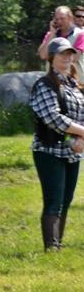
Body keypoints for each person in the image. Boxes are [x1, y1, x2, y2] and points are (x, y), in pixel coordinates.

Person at [27, 36, 84, 251]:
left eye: (69, 54)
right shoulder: (44, 84)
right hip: (49, 151)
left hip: (72, 151)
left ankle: (57, 244)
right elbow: (52, 117)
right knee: (54, 199)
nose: (67, 58)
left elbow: (81, 114)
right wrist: (82, 133)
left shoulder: (74, 85)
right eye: (62, 54)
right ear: (51, 58)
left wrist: (79, 138)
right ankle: (51, 248)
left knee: (66, 199)